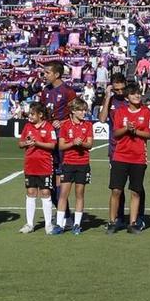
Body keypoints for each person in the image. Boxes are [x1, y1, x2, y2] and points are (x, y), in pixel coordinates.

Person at [106, 81, 150, 234]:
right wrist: (127, 128)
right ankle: (112, 222)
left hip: (138, 157)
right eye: (133, 94)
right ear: (127, 97)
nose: (137, 96)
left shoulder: (146, 112)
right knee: (116, 190)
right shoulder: (120, 112)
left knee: (135, 191)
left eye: (138, 93)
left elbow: (149, 134)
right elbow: (116, 133)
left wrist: (135, 131)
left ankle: (133, 223)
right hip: (120, 156)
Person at [36, 60, 78, 218]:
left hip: (62, 138)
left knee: (61, 176)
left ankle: (64, 213)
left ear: (57, 74)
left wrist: (63, 122)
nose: (44, 75)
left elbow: (77, 113)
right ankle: (62, 211)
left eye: (47, 73)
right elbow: (42, 111)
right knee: (49, 176)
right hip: (47, 138)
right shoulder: (45, 91)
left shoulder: (68, 91)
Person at [18, 99, 60, 234]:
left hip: (45, 165)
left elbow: (52, 145)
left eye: (32, 114)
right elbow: (20, 143)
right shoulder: (27, 127)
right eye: (29, 114)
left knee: (45, 192)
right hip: (30, 165)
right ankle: (29, 224)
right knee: (30, 192)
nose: (30, 116)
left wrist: (37, 143)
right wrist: (25, 143)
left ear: (40, 115)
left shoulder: (48, 127)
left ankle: (48, 225)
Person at [55, 97, 95, 235]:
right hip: (68, 164)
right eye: (80, 110)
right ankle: (59, 224)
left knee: (79, 195)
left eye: (84, 110)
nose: (84, 112)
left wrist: (81, 144)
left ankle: (77, 224)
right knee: (63, 195)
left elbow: (89, 144)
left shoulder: (88, 125)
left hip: (83, 164)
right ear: (73, 111)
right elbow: (61, 146)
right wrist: (73, 143)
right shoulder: (65, 125)